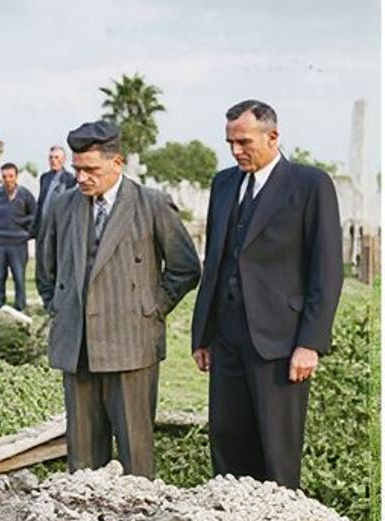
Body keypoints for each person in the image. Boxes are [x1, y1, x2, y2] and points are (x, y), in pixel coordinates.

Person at [190, 100, 343, 489]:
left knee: (276, 452)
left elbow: (326, 270)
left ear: (273, 136)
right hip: (226, 337)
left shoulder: (310, 185)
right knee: (227, 442)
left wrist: (310, 343)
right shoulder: (223, 184)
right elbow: (217, 263)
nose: (236, 151)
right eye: (230, 143)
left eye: (243, 142)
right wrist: (203, 334)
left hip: (281, 342)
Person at [40, 120, 200, 477]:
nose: (81, 178)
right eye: (76, 169)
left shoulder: (152, 204)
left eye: (90, 169)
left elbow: (185, 268)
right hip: (76, 347)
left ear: (118, 163)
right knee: (82, 462)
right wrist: (61, 308)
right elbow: (47, 272)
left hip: (132, 344)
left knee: (135, 455)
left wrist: (151, 308)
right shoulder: (63, 206)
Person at [0, 162, 36, 311]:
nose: (8, 179)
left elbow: (34, 215)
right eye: (5, 176)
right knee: (0, 276)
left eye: (11, 176)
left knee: (19, 277)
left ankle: (20, 306)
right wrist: (0, 226)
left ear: (16, 176)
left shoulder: (25, 195)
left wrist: (26, 232)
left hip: (18, 242)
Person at [34, 145, 77, 310]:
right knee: (42, 266)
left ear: (64, 160)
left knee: (56, 264)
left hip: (60, 231)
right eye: (51, 157)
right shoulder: (45, 178)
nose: (53, 161)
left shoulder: (70, 179)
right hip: (43, 229)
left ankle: (58, 302)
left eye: (57, 157)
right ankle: (46, 299)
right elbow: (40, 203)